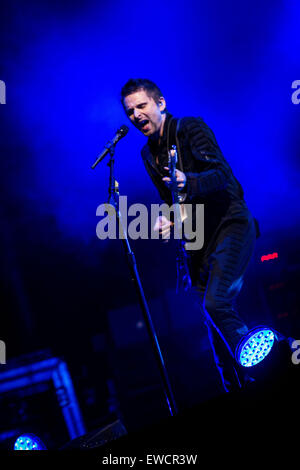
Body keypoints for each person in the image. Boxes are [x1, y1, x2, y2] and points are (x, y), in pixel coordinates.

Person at [121, 78, 259, 392]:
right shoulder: (147, 154)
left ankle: (263, 365)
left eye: (141, 106)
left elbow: (222, 174)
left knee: (216, 302)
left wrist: (188, 181)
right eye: (129, 111)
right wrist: (170, 220)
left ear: (160, 103)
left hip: (230, 224)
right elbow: (173, 203)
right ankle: (235, 384)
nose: (136, 115)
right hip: (199, 240)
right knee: (212, 326)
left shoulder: (190, 128)